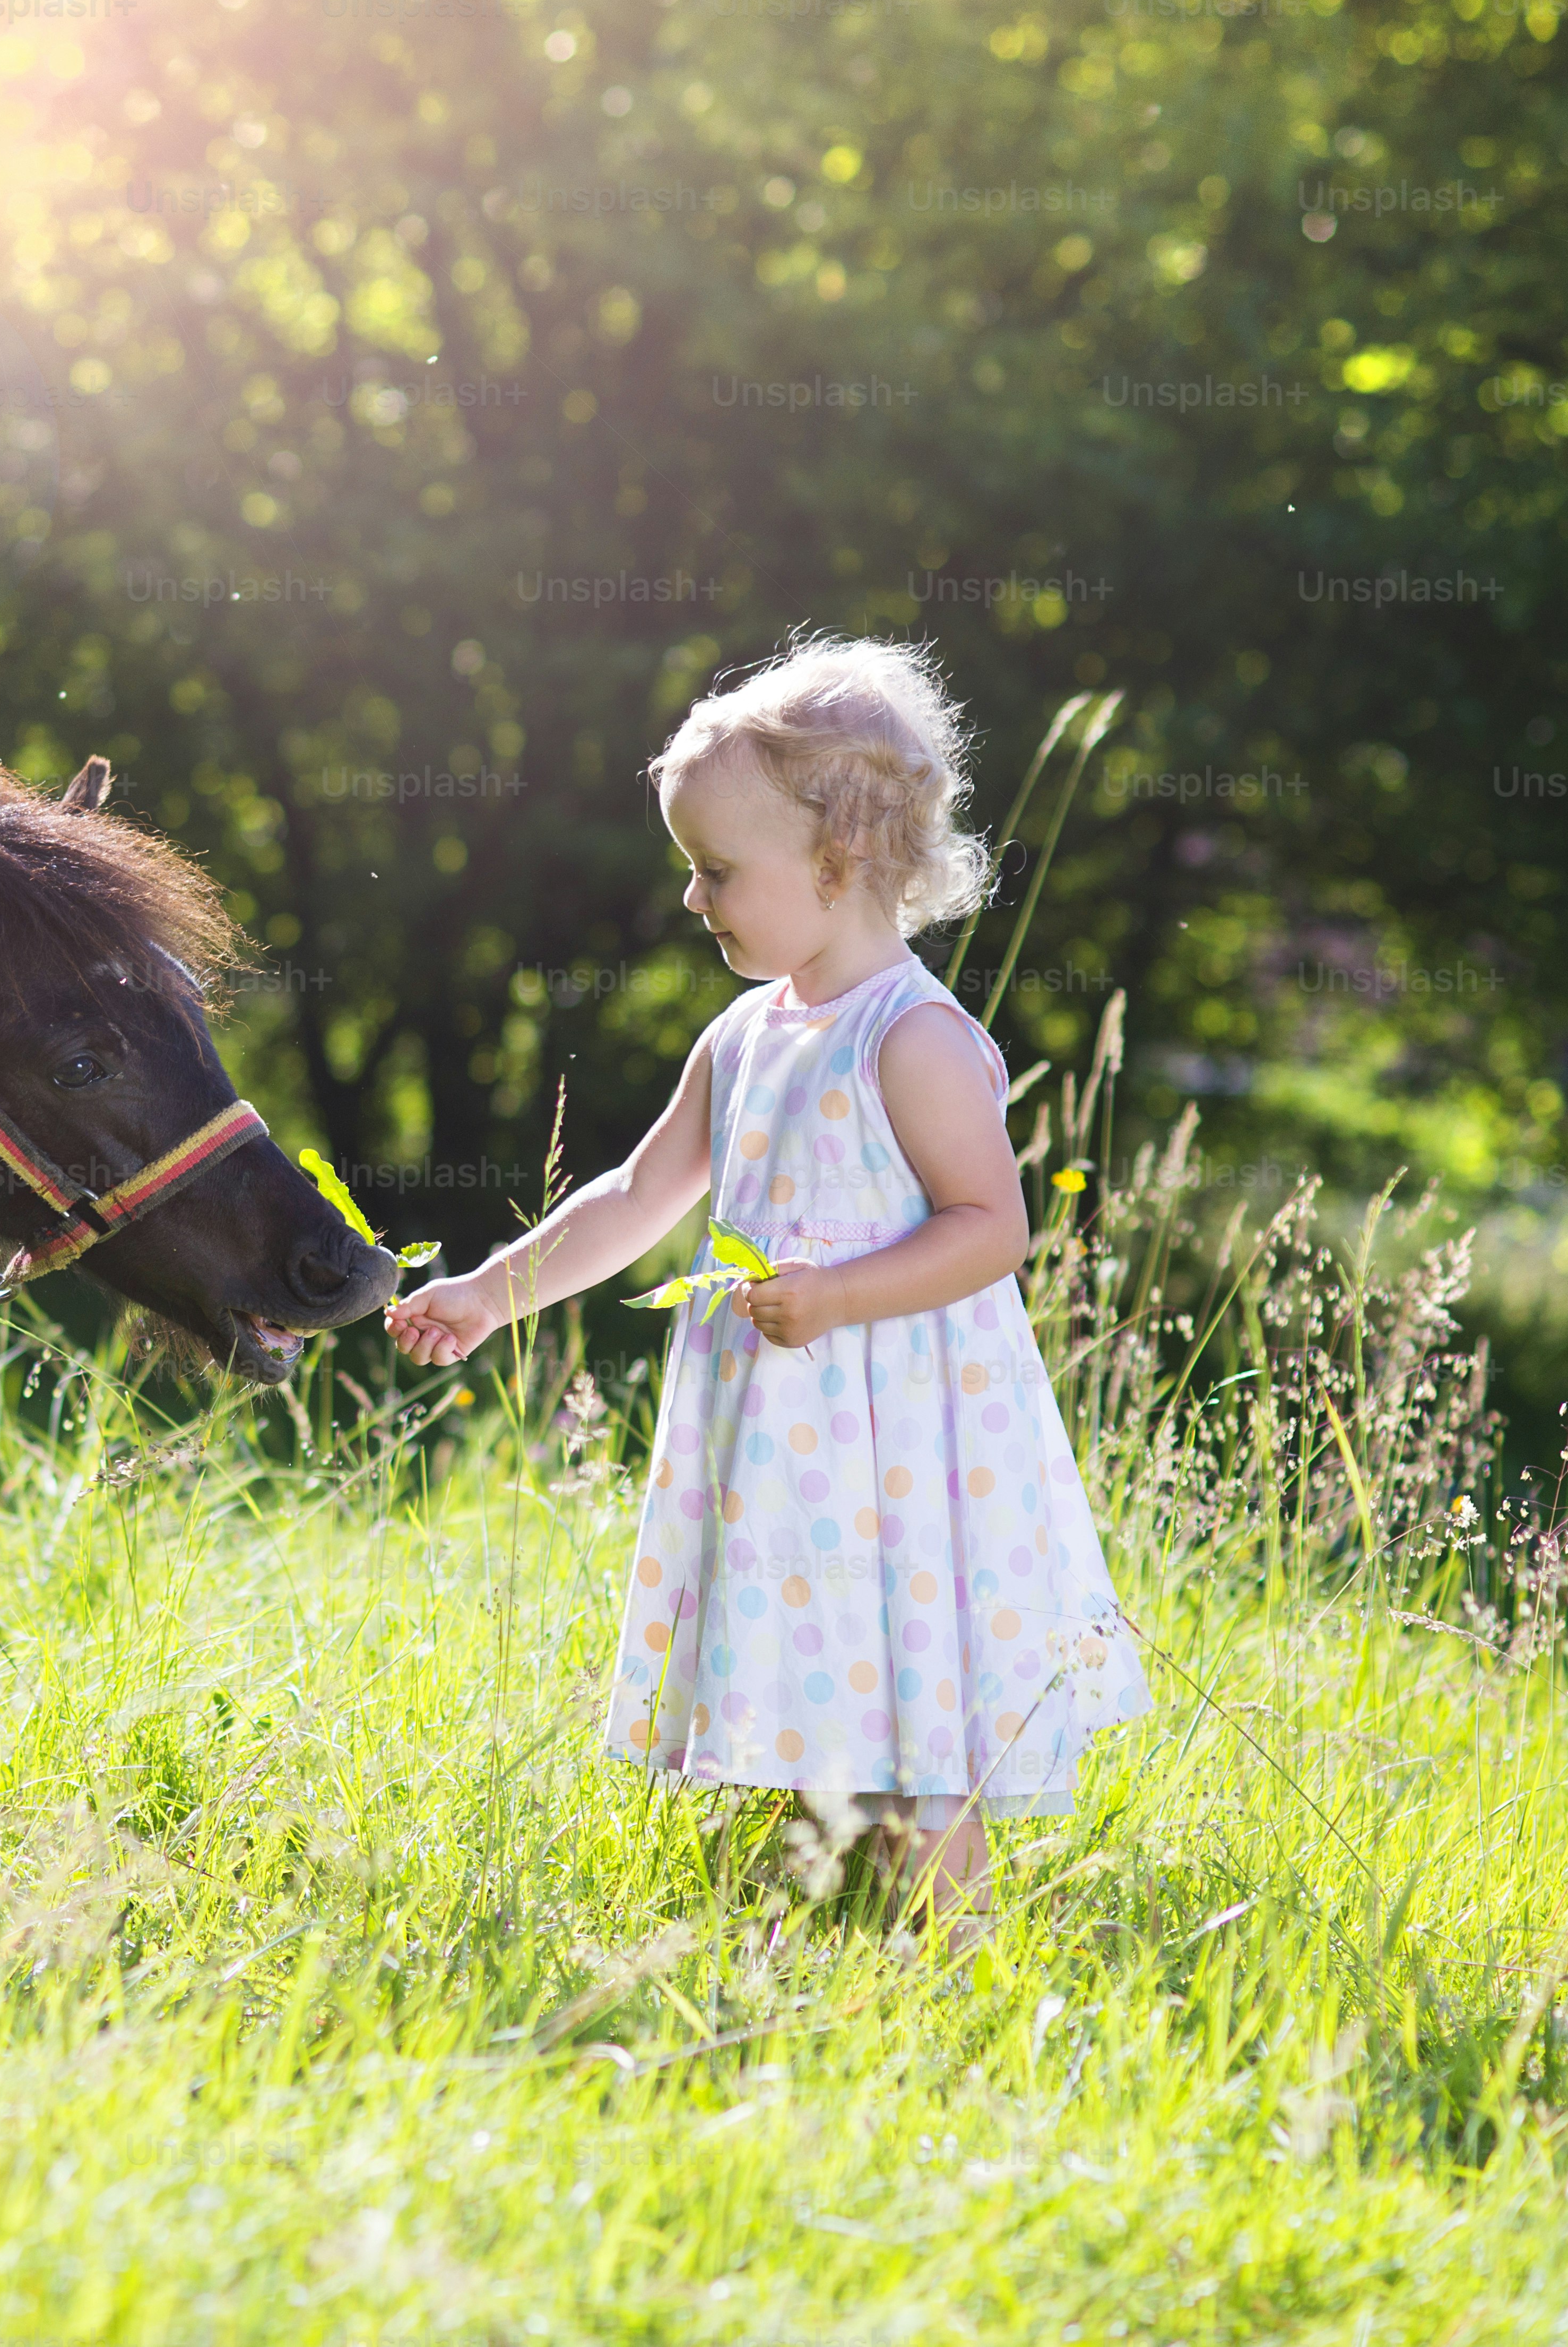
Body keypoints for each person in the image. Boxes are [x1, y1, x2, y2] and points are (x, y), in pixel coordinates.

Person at [387, 639, 1148, 1939]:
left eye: (716, 869)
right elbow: (633, 1197)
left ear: (839, 867)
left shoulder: (910, 1038)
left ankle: (947, 1961)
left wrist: (843, 1294)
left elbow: (991, 1229)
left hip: (903, 1435)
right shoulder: (744, 1036)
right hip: (793, 1438)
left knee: (916, 1709)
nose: (693, 899)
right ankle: (822, 1917)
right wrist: (491, 1293)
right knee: (819, 1681)